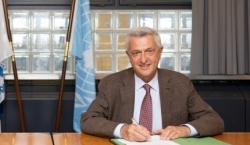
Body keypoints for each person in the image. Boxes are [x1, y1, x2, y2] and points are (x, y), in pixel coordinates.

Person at [81, 27, 224, 142]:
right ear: (129, 56)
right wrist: (123, 130)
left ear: (160, 52)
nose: (144, 59)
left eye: (149, 51)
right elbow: (88, 120)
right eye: (136, 53)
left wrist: (184, 130)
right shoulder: (111, 84)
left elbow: (214, 121)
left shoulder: (180, 83)